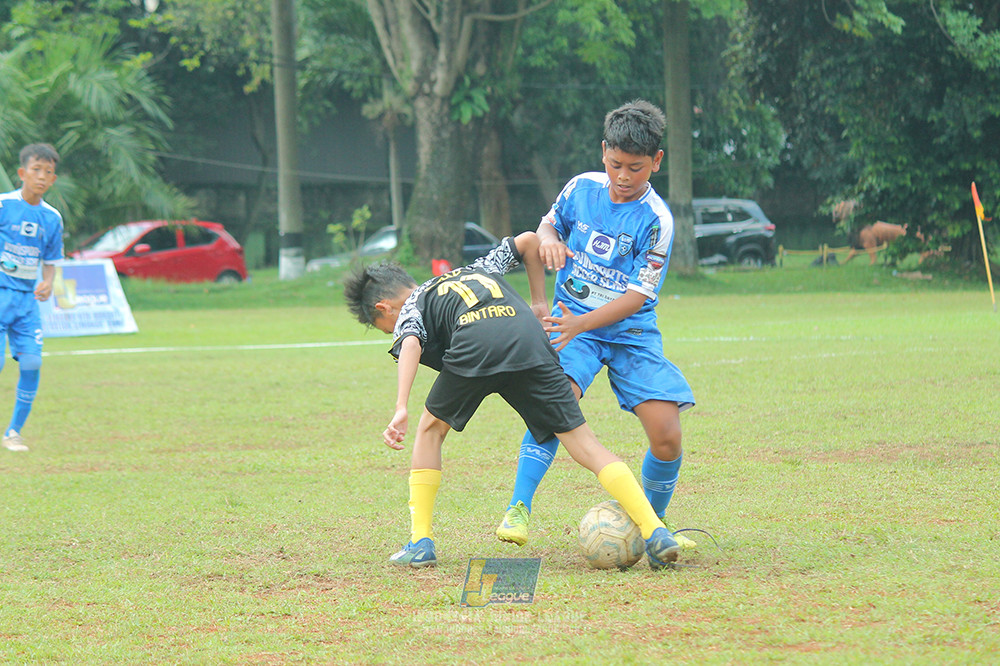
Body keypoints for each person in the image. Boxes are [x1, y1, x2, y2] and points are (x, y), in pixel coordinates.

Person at [343, 231, 682, 570]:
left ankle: (420, 542)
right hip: (529, 338)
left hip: (475, 340)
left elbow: (412, 342)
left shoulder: (413, 303)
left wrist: (401, 405)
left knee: (430, 430)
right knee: (585, 444)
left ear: (383, 307)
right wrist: (538, 302)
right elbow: (530, 241)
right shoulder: (478, 268)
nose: (393, 330)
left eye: (386, 327)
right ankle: (654, 530)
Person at [495, 100, 697, 549]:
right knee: (554, 402)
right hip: (572, 323)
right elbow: (547, 227)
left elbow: (637, 296)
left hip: (629, 332)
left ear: (657, 162)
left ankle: (650, 527)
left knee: (667, 435)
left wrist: (581, 324)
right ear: (603, 151)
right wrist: (548, 242)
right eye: (615, 164)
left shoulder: (657, 220)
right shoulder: (580, 188)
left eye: (636, 168)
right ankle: (519, 507)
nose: (623, 177)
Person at [0, 143, 64, 452]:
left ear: (53, 180)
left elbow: (51, 258)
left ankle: (13, 432)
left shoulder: (52, 218)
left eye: (48, 172)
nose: (41, 177)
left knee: (31, 363)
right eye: (36, 170)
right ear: (22, 173)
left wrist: (48, 282)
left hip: (26, 303)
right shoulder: (3, 206)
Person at [843, 221, 909, 265]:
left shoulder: (865, 236)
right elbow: (855, 251)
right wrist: (844, 262)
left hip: (896, 234)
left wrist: (872, 263)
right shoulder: (864, 235)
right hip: (895, 232)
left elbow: (873, 257)